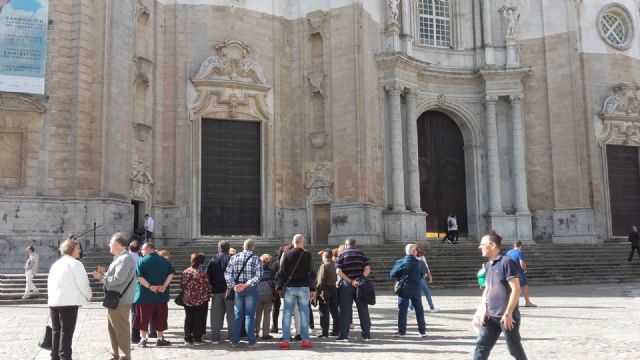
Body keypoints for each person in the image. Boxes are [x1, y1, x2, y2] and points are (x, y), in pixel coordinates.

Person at [474, 233, 528, 360]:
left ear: (492, 245)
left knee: (515, 350)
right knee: (481, 346)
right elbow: (487, 288)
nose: (479, 247)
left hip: (506, 317)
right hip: (490, 316)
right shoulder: (488, 265)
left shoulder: (506, 262)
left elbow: (516, 289)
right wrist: (484, 308)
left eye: (482, 244)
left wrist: (508, 313)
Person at [92, 232, 137, 360]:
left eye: (111, 243)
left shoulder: (125, 259)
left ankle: (124, 357)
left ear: (117, 244)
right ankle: (115, 355)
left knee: (121, 330)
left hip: (120, 301)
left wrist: (101, 277)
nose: (109, 245)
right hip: (115, 300)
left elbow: (117, 279)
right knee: (113, 330)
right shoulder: (120, 258)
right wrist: (104, 273)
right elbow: (117, 277)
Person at [47, 238, 92, 360]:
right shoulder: (76, 264)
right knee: (66, 333)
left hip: (54, 302)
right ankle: (65, 357)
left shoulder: (55, 264)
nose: (80, 251)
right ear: (71, 249)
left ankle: (55, 357)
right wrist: (88, 295)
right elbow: (83, 283)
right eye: (78, 248)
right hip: (69, 303)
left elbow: (49, 283)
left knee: (56, 332)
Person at [276, 234, 317, 350]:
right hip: (304, 287)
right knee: (304, 314)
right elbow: (312, 273)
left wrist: (279, 287)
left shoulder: (286, 254)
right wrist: (313, 289)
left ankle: (285, 340)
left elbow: (281, 272)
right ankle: (305, 340)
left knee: (287, 313)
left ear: (293, 242)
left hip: (289, 288)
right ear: (302, 242)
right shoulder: (307, 255)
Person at [133, 241, 175, 347]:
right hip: (161, 295)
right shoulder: (164, 261)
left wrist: (150, 286)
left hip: (144, 296)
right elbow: (170, 274)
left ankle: (143, 340)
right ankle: (160, 338)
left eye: (142, 249)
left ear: (148, 249)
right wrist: (164, 286)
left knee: (143, 318)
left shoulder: (141, 261)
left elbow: (139, 277)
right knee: (160, 317)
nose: (141, 251)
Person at [224, 238, 263, 349]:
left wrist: (234, 286)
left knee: (237, 316)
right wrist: (247, 284)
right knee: (249, 315)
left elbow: (227, 274)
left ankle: (235, 341)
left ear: (243, 246)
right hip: (250, 289)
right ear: (253, 247)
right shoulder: (256, 258)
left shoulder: (234, 257)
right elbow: (259, 275)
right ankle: (251, 342)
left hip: (238, 289)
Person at [335, 237, 372, 342]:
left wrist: (351, 281)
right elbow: (368, 269)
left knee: (345, 311)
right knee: (363, 309)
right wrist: (360, 280)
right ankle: (366, 335)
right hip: (360, 285)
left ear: (346, 245)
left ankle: (343, 336)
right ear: (355, 245)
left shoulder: (341, 254)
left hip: (347, 285)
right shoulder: (361, 254)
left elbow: (338, 271)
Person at [390, 244, 427, 337]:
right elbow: (423, 275)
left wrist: (401, 276)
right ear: (413, 252)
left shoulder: (401, 262)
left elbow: (392, 274)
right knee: (419, 310)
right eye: (416, 250)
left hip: (404, 289)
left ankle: (402, 331)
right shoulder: (420, 263)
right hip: (416, 289)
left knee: (402, 310)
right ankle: (422, 331)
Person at [206, 240, 234, 344]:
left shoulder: (213, 259)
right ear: (228, 248)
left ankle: (215, 338)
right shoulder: (232, 259)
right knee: (231, 315)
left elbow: (208, 275)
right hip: (229, 290)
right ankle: (232, 337)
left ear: (219, 248)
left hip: (217, 290)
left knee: (216, 316)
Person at [181, 252, 212, 345]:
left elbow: (182, 285)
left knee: (188, 318)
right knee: (199, 318)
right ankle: (197, 338)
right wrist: (209, 294)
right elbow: (207, 286)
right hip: (201, 299)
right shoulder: (202, 273)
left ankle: (187, 338)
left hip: (188, 298)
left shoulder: (186, 271)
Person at [316, 249, 339, 338]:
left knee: (324, 312)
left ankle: (324, 332)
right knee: (335, 312)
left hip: (325, 290)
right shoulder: (335, 264)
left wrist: (317, 290)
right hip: (334, 289)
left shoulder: (324, 266)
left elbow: (320, 280)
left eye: (322, 256)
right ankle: (336, 331)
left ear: (325, 257)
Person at [409, 243, 439, 312]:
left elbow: (426, 267)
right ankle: (432, 307)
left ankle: (411, 308)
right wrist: (429, 276)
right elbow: (426, 267)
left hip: (414, 278)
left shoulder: (411, 257)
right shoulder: (420, 257)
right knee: (426, 292)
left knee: (413, 292)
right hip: (420, 278)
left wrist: (429, 276)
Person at [270, 243, 292, 334]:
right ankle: (286, 328)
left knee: (276, 308)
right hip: (286, 288)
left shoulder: (275, 264)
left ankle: (275, 326)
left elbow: (273, 277)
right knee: (287, 309)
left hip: (278, 288)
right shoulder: (288, 264)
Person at [507, 241, 536, 307]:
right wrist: (525, 269)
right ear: (520, 246)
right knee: (525, 286)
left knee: (513, 288)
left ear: (514, 245)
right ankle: (527, 302)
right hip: (519, 272)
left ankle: (512, 303)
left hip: (510, 272)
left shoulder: (508, 252)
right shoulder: (520, 252)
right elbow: (521, 263)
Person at [255, 254, 275, 339]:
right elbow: (274, 282)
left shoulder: (256, 270)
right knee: (267, 315)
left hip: (257, 294)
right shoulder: (271, 271)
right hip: (268, 294)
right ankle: (265, 334)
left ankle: (256, 332)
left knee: (257, 314)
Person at [128, 240, 143, 343]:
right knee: (136, 313)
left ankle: (134, 336)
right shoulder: (141, 259)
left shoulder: (125, 258)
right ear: (139, 249)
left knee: (132, 313)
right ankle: (136, 335)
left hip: (127, 288)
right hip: (138, 288)